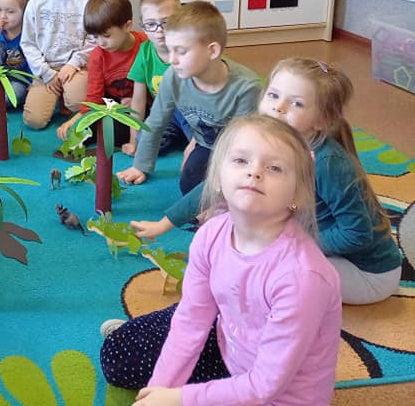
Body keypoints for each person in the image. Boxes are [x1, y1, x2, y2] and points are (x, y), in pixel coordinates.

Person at [100, 115, 342, 405]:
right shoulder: (211, 234)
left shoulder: (302, 278)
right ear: (217, 178)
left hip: (278, 397)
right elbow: (190, 322)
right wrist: (159, 390)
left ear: (298, 195)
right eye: (241, 160)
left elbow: (264, 386)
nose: (254, 172)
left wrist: (179, 398)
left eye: (274, 168)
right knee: (117, 355)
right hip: (232, 352)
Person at [135, 57, 402, 304]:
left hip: (367, 273)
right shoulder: (265, 140)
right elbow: (218, 185)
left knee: (264, 268)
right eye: (273, 95)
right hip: (319, 243)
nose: (278, 107)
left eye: (296, 104)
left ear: (322, 120)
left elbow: (357, 234)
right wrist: (164, 223)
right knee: (232, 221)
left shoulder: (327, 162)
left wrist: (291, 244)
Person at [115, 1, 261, 194]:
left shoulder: (247, 88)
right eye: (170, 50)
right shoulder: (173, 75)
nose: (172, 60)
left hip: (240, 151)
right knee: (190, 186)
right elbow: (156, 121)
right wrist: (140, 166)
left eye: (181, 51)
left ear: (212, 51)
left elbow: (245, 144)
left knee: (225, 190)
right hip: (205, 143)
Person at [20, 0, 95, 130]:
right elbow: (28, 43)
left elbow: (93, 41)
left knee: (78, 104)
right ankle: (56, 93)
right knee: (34, 121)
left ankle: (66, 96)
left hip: (75, 68)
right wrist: (46, 73)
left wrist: (74, 64)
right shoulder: (35, 4)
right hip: (46, 69)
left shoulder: (86, 3)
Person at [56, 0, 148, 151]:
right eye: (95, 37)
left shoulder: (145, 46)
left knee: (121, 131)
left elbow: (156, 85)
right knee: (79, 126)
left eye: (106, 35)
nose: (101, 42)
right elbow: (94, 97)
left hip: (142, 104)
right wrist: (78, 119)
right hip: (111, 104)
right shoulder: (98, 55)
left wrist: (137, 100)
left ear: (127, 26)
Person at [122, 0, 192, 158]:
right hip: (166, 116)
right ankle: (179, 137)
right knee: (144, 143)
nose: (159, 30)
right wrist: (133, 140)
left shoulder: (190, 50)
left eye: (166, 22)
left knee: (205, 149)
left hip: (193, 114)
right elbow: (138, 100)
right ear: (143, 26)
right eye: (151, 24)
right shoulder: (144, 52)